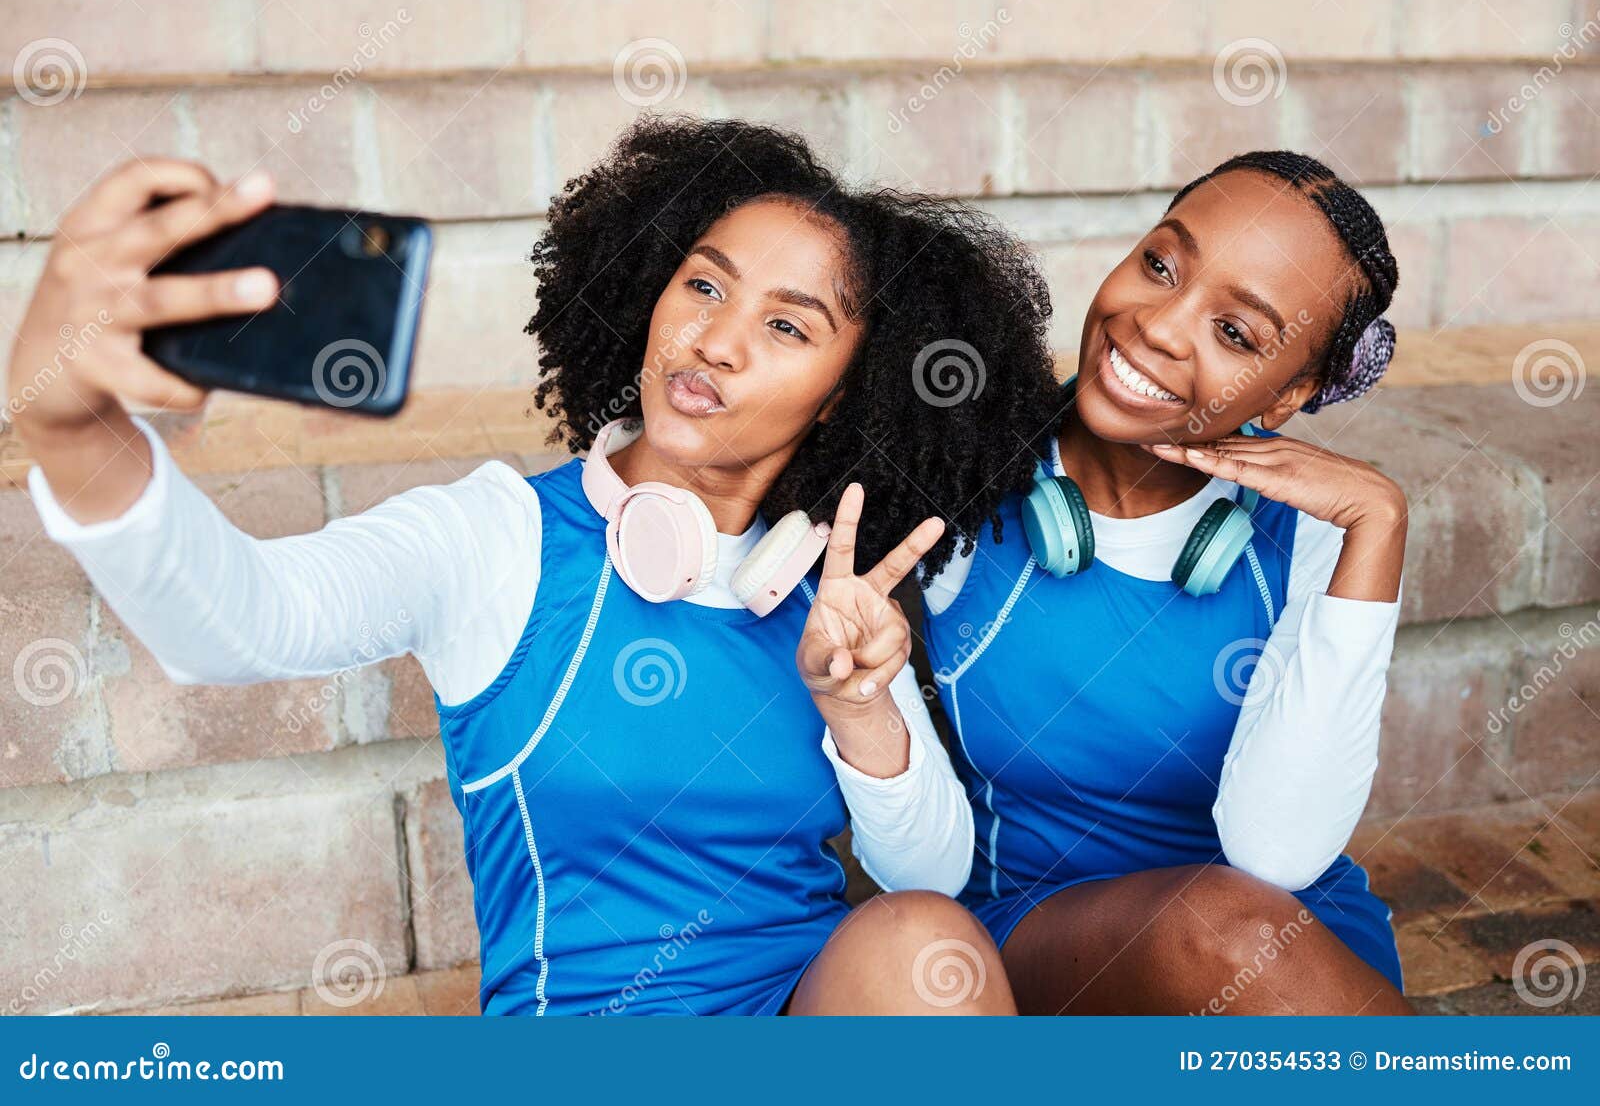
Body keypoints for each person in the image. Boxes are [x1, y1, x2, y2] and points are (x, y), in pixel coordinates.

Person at [8, 117, 1062, 1015]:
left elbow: (933, 874)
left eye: (786, 324)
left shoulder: (828, 589)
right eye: (703, 284)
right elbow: (235, 622)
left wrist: (861, 706)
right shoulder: (496, 538)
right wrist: (76, 425)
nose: (716, 340)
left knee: (930, 947)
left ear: (846, 390)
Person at [918, 151, 1414, 1015]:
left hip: (1284, 938)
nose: (1158, 326)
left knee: (1241, 932)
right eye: (1161, 264)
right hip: (1039, 941)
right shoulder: (961, 471)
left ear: (1292, 390)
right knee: (1221, 929)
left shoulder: (1314, 532)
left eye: (1236, 333)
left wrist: (1377, 529)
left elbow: (1278, 852)